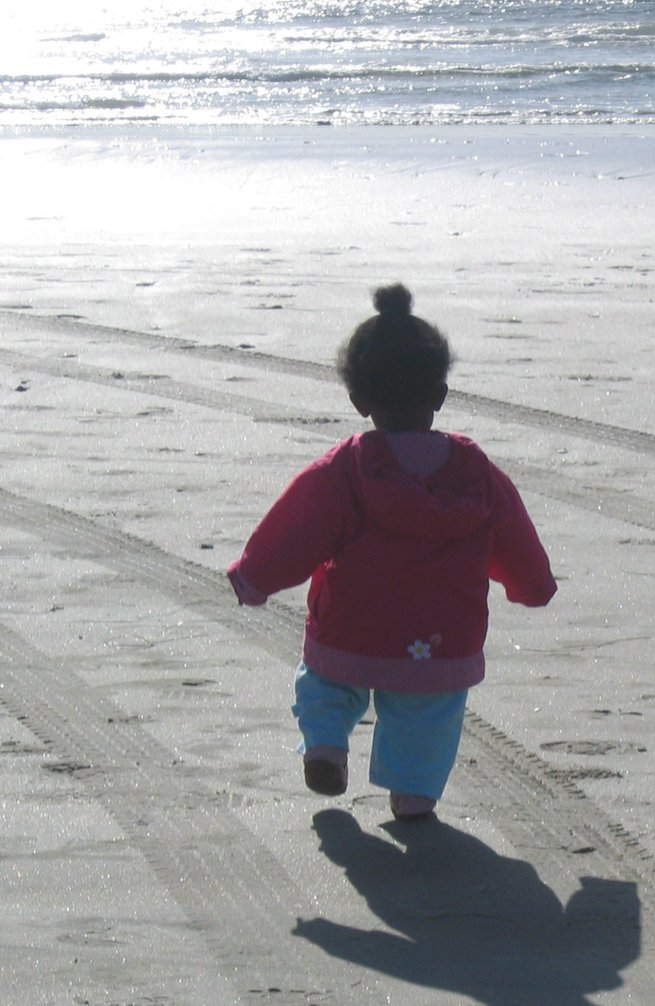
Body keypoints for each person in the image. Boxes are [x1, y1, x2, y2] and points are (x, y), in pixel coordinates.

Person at [228, 283, 557, 818]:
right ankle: (414, 794)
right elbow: (514, 538)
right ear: (440, 395)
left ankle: (327, 744)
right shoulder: (476, 476)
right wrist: (532, 587)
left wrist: (254, 577)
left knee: (326, 684)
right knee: (429, 716)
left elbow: (296, 530)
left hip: (351, 628)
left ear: (359, 401)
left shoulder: (345, 470)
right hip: (441, 638)